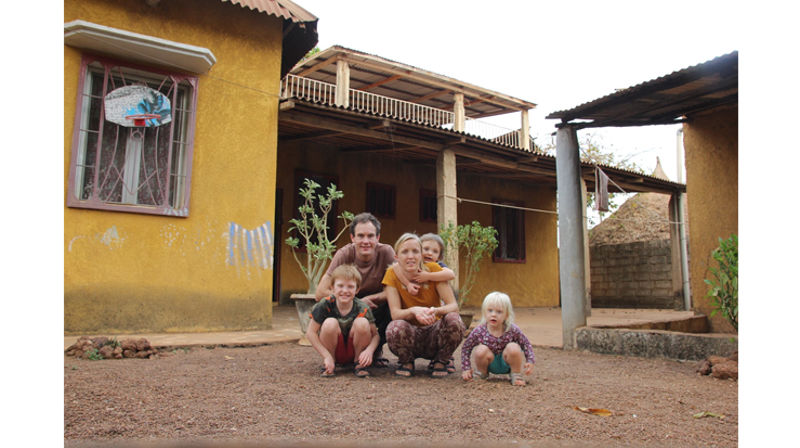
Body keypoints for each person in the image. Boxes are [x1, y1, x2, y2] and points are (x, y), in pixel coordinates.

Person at [315, 212, 395, 367]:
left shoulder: (386, 253)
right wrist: (356, 302)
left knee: (395, 308)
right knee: (329, 312)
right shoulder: (344, 254)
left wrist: (371, 299)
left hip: (374, 311)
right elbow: (320, 292)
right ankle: (333, 355)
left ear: (377, 238)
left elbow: (396, 291)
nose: (366, 241)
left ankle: (375, 350)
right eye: (360, 236)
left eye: (370, 236)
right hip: (346, 311)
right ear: (353, 238)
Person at [383, 233, 465, 378]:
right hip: (410, 334)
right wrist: (414, 311)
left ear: (421, 255)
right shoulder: (391, 274)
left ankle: (441, 360)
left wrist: (435, 310)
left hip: (434, 332)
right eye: (405, 252)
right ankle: (406, 361)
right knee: (394, 328)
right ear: (396, 256)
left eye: (415, 251)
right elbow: (395, 314)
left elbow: (453, 306)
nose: (410, 256)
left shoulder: (433, 270)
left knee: (455, 320)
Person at [306, 265, 379, 377]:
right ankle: (331, 363)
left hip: (355, 350)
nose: (345, 291)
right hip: (334, 350)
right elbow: (311, 332)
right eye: (340, 286)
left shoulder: (362, 307)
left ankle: (359, 364)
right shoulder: (325, 304)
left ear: (357, 289)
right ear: (332, 287)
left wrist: (369, 351)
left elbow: (375, 335)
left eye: (350, 287)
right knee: (330, 323)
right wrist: (326, 356)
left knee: (362, 323)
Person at [460, 291, 535, 386]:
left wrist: (530, 361)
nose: (494, 315)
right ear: (484, 312)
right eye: (490, 310)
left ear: (506, 315)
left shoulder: (512, 329)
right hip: (489, 362)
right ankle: (481, 374)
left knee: (513, 347)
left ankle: (516, 375)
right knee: (480, 350)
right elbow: (466, 347)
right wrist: (466, 368)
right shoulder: (479, 331)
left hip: (507, 361)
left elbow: (526, 344)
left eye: (499, 312)